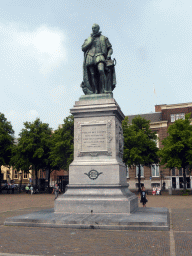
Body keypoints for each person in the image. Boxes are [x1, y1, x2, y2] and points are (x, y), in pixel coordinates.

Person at [81, 23, 116, 94]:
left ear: (98, 28)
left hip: (100, 55)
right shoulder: (88, 39)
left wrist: (109, 55)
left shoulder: (104, 38)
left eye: (95, 28)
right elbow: (83, 48)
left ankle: (104, 88)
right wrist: (89, 42)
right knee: (92, 74)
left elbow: (110, 49)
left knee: (101, 70)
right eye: (92, 28)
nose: (93, 29)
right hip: (90, 57)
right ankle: (95, 90)